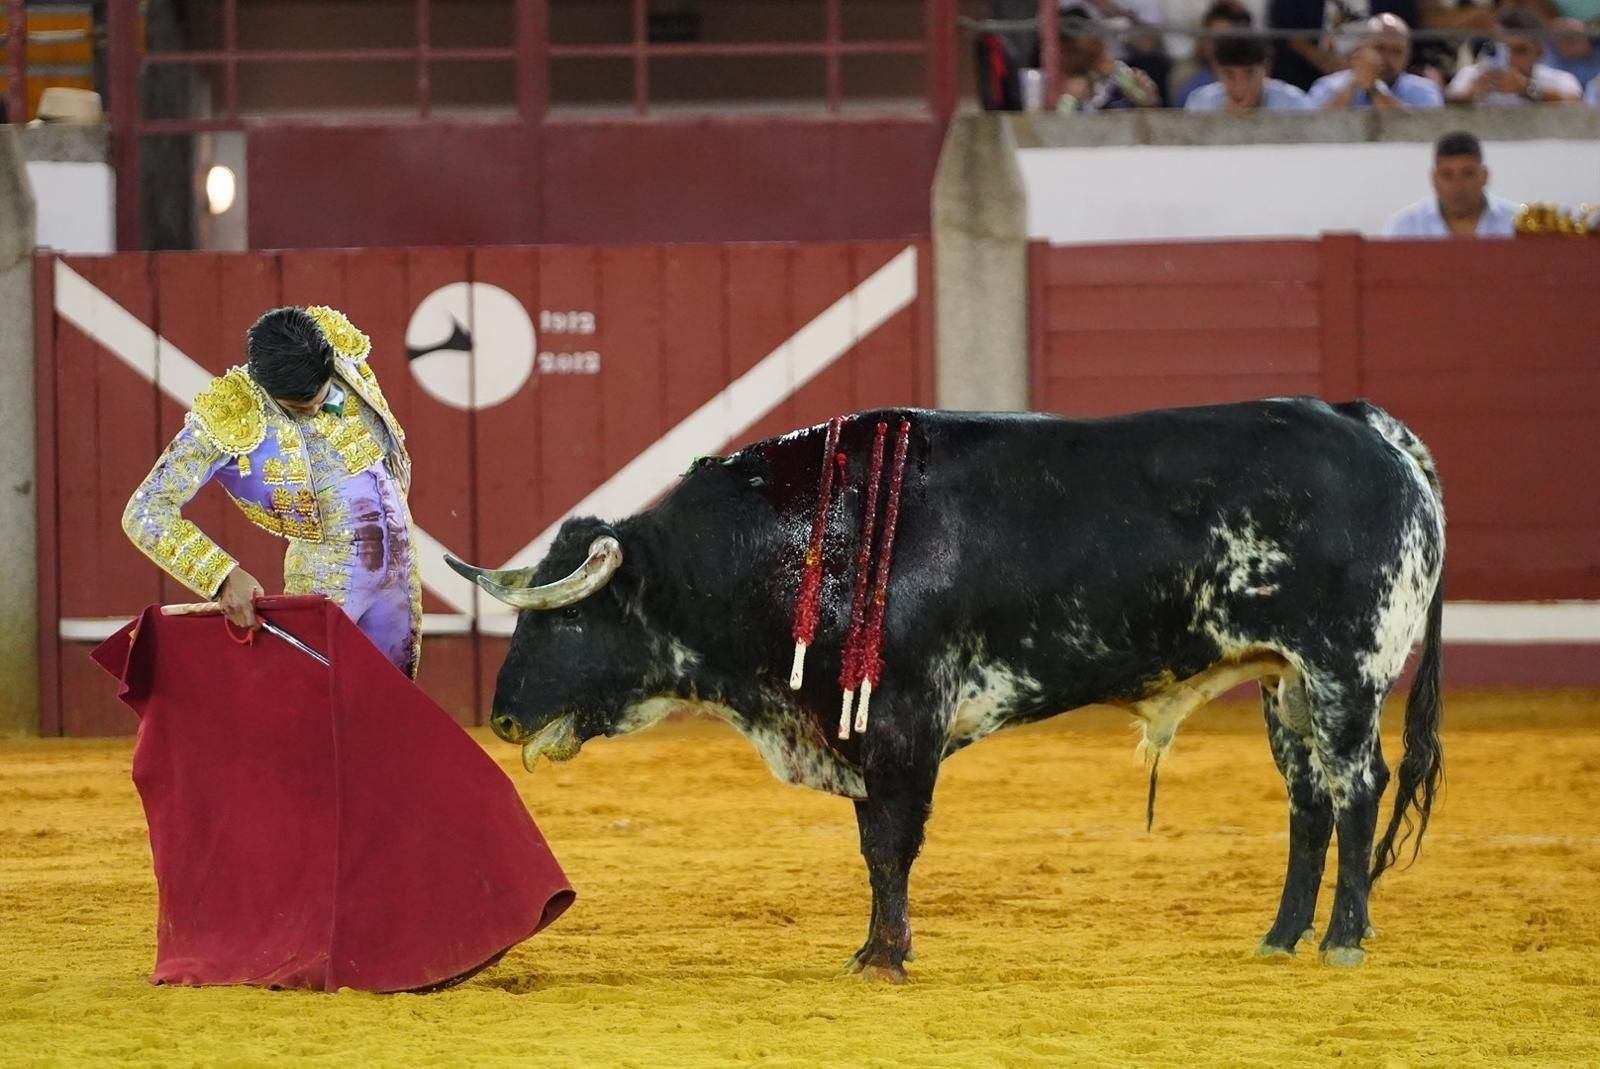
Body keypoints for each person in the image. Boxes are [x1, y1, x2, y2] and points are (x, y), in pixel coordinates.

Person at [122, 306, 422, 677]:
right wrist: (221, 577)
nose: (315, 409)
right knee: (310, 701)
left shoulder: (343, 354)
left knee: (393, 702)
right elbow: (146, 510)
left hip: (401, 578)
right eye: (299, 406)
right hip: (328, 579)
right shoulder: (232, 411)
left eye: (321, 395)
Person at [1384, 130, 1519, 238]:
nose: (1458, 186)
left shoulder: (1518, 223)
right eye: (1447, 175)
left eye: (1468, 174)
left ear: (1484, 175)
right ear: (1434, 179)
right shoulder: (1406, 226)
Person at [1446, 10, 1584, 104]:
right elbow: (1448, 100)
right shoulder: (1473, 75)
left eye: (1520, 51)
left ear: (1539, 52)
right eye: (1503, 49)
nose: (1510, 58)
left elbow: (1574, 100)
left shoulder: (1558, 79)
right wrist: (1469, 94)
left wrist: (1528, 89)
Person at [1309, 14, 1445, 109]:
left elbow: (1414, 130)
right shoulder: (1328, 86)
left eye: (1396, 51)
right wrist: (1354, 83)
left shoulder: (1425, 91)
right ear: (1362, 47)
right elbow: (1316, 128)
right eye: (1380, 48)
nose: (1387, 57)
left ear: (1407, 56)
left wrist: (1374, 88)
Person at [1056, 7, 1164, 109]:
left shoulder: (1120, 80)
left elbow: (1149, 114)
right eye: (1095, 54)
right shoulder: (1052, 90)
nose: (1109, 57)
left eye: (1102, 48)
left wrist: (1147, 102)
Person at [1184, 32, 1313, 109]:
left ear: (1266, 69)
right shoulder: (1202, 102)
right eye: (1230, 75)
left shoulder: (1293, 103)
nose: (1240, 86)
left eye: (1249, 74)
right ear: (1217, 72)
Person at [1174, 0, 1255, 108]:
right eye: (1215, 39)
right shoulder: (1191, 88)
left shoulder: (1261, 82)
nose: (1220, 46)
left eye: (1226, 39)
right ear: (1204, 42)